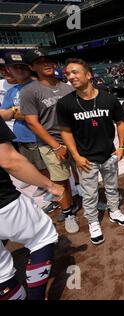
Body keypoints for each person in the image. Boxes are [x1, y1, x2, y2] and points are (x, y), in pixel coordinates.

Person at [57, 58, 124, 245]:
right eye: (67, 74)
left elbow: (121, 122)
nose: (71, 76)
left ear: (88, 75)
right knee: (89, 194)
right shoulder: (65, 103)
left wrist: (121, 146)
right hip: (85, 158)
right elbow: (65, 132)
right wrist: (76, 156)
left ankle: (114, 211)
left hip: (109, 154)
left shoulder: (108, 98)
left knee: (112, 187)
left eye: (75, 72)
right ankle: (93, 222)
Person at [0, 117, 64, 300]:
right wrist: (50, 185)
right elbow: (9, 160)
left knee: (1, 273)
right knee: (42, 238)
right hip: (4, 204)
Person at [20, 49, 79, 234]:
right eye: (40, 61)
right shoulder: (29, 91)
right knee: (61, 181)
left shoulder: (67, 87)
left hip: (74, 139)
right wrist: (56, 145)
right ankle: (68, 213)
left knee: (84, 173)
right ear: (32, 67)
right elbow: (32, 122)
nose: (46, 64)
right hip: (51, 143)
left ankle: (89, 200)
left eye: (48, 60)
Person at [0, 52, 52, 199]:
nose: (20, 70)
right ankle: (44, 185)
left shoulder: (39, 86)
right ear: (9, 70)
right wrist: (17, 110)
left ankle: (52, 189)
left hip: (38, 135)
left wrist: (14, 112)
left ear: (29, 67)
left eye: (22, 66)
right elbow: (3, 115)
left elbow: (39, 112)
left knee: (46, 166)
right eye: (15, 67)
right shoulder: (11, 91)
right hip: (21, 137)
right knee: (33, 165)